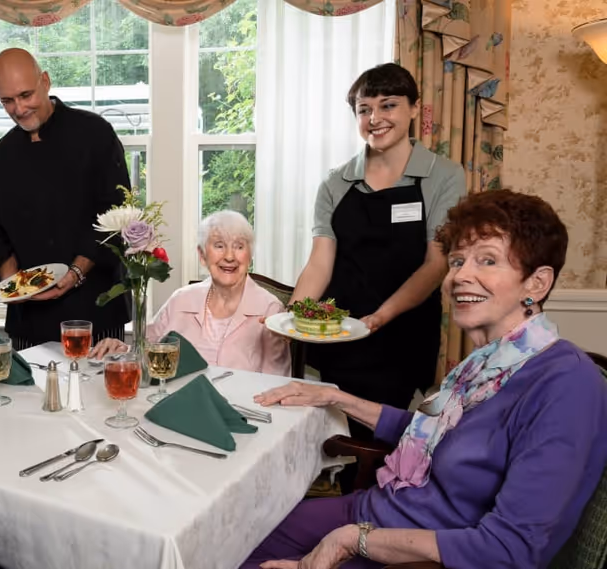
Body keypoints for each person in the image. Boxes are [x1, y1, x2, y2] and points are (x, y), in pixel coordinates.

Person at [244, 190, 607, 569]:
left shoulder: (566, 385)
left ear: (536, 283)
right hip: (377, 508)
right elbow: (432, 432)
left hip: (412, 555)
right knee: (234, 534)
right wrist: (335, 398)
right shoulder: (486, 364)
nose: (461, 276)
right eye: (457, 261)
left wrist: (355, 539)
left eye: (487, 260)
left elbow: (508, 548)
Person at [293, 63, 466, 437]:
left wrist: (380, 317)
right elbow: (320, 262)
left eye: (388, 105)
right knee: (334, 440)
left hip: (402, 337)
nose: (376, 118)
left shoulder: (444, 175)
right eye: (364, 109)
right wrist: (293, 317)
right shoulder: (335, 182)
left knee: (387, 440)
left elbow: (435, 264)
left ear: (414, 108)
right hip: (339, 335)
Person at [0, 47, 131, 350]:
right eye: (7, 100)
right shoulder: (0, 158)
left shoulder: (96, 134)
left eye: (25, 95)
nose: (18, 109)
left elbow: (117, 214)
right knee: (29, 396)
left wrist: (75, 273)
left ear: (45, 81)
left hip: (96, 311)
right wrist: (16, 283)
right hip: (28, 319)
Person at [91, 211, 290, 375]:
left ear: (250, 255)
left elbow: (275, 385)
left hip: (242, 412)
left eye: (239, 246)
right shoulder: (181, 299)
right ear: (202, 255)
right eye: (219, 245)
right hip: (178, 407)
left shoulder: (270, 309)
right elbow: (146, 350)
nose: (229, 256)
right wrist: (121, 349)